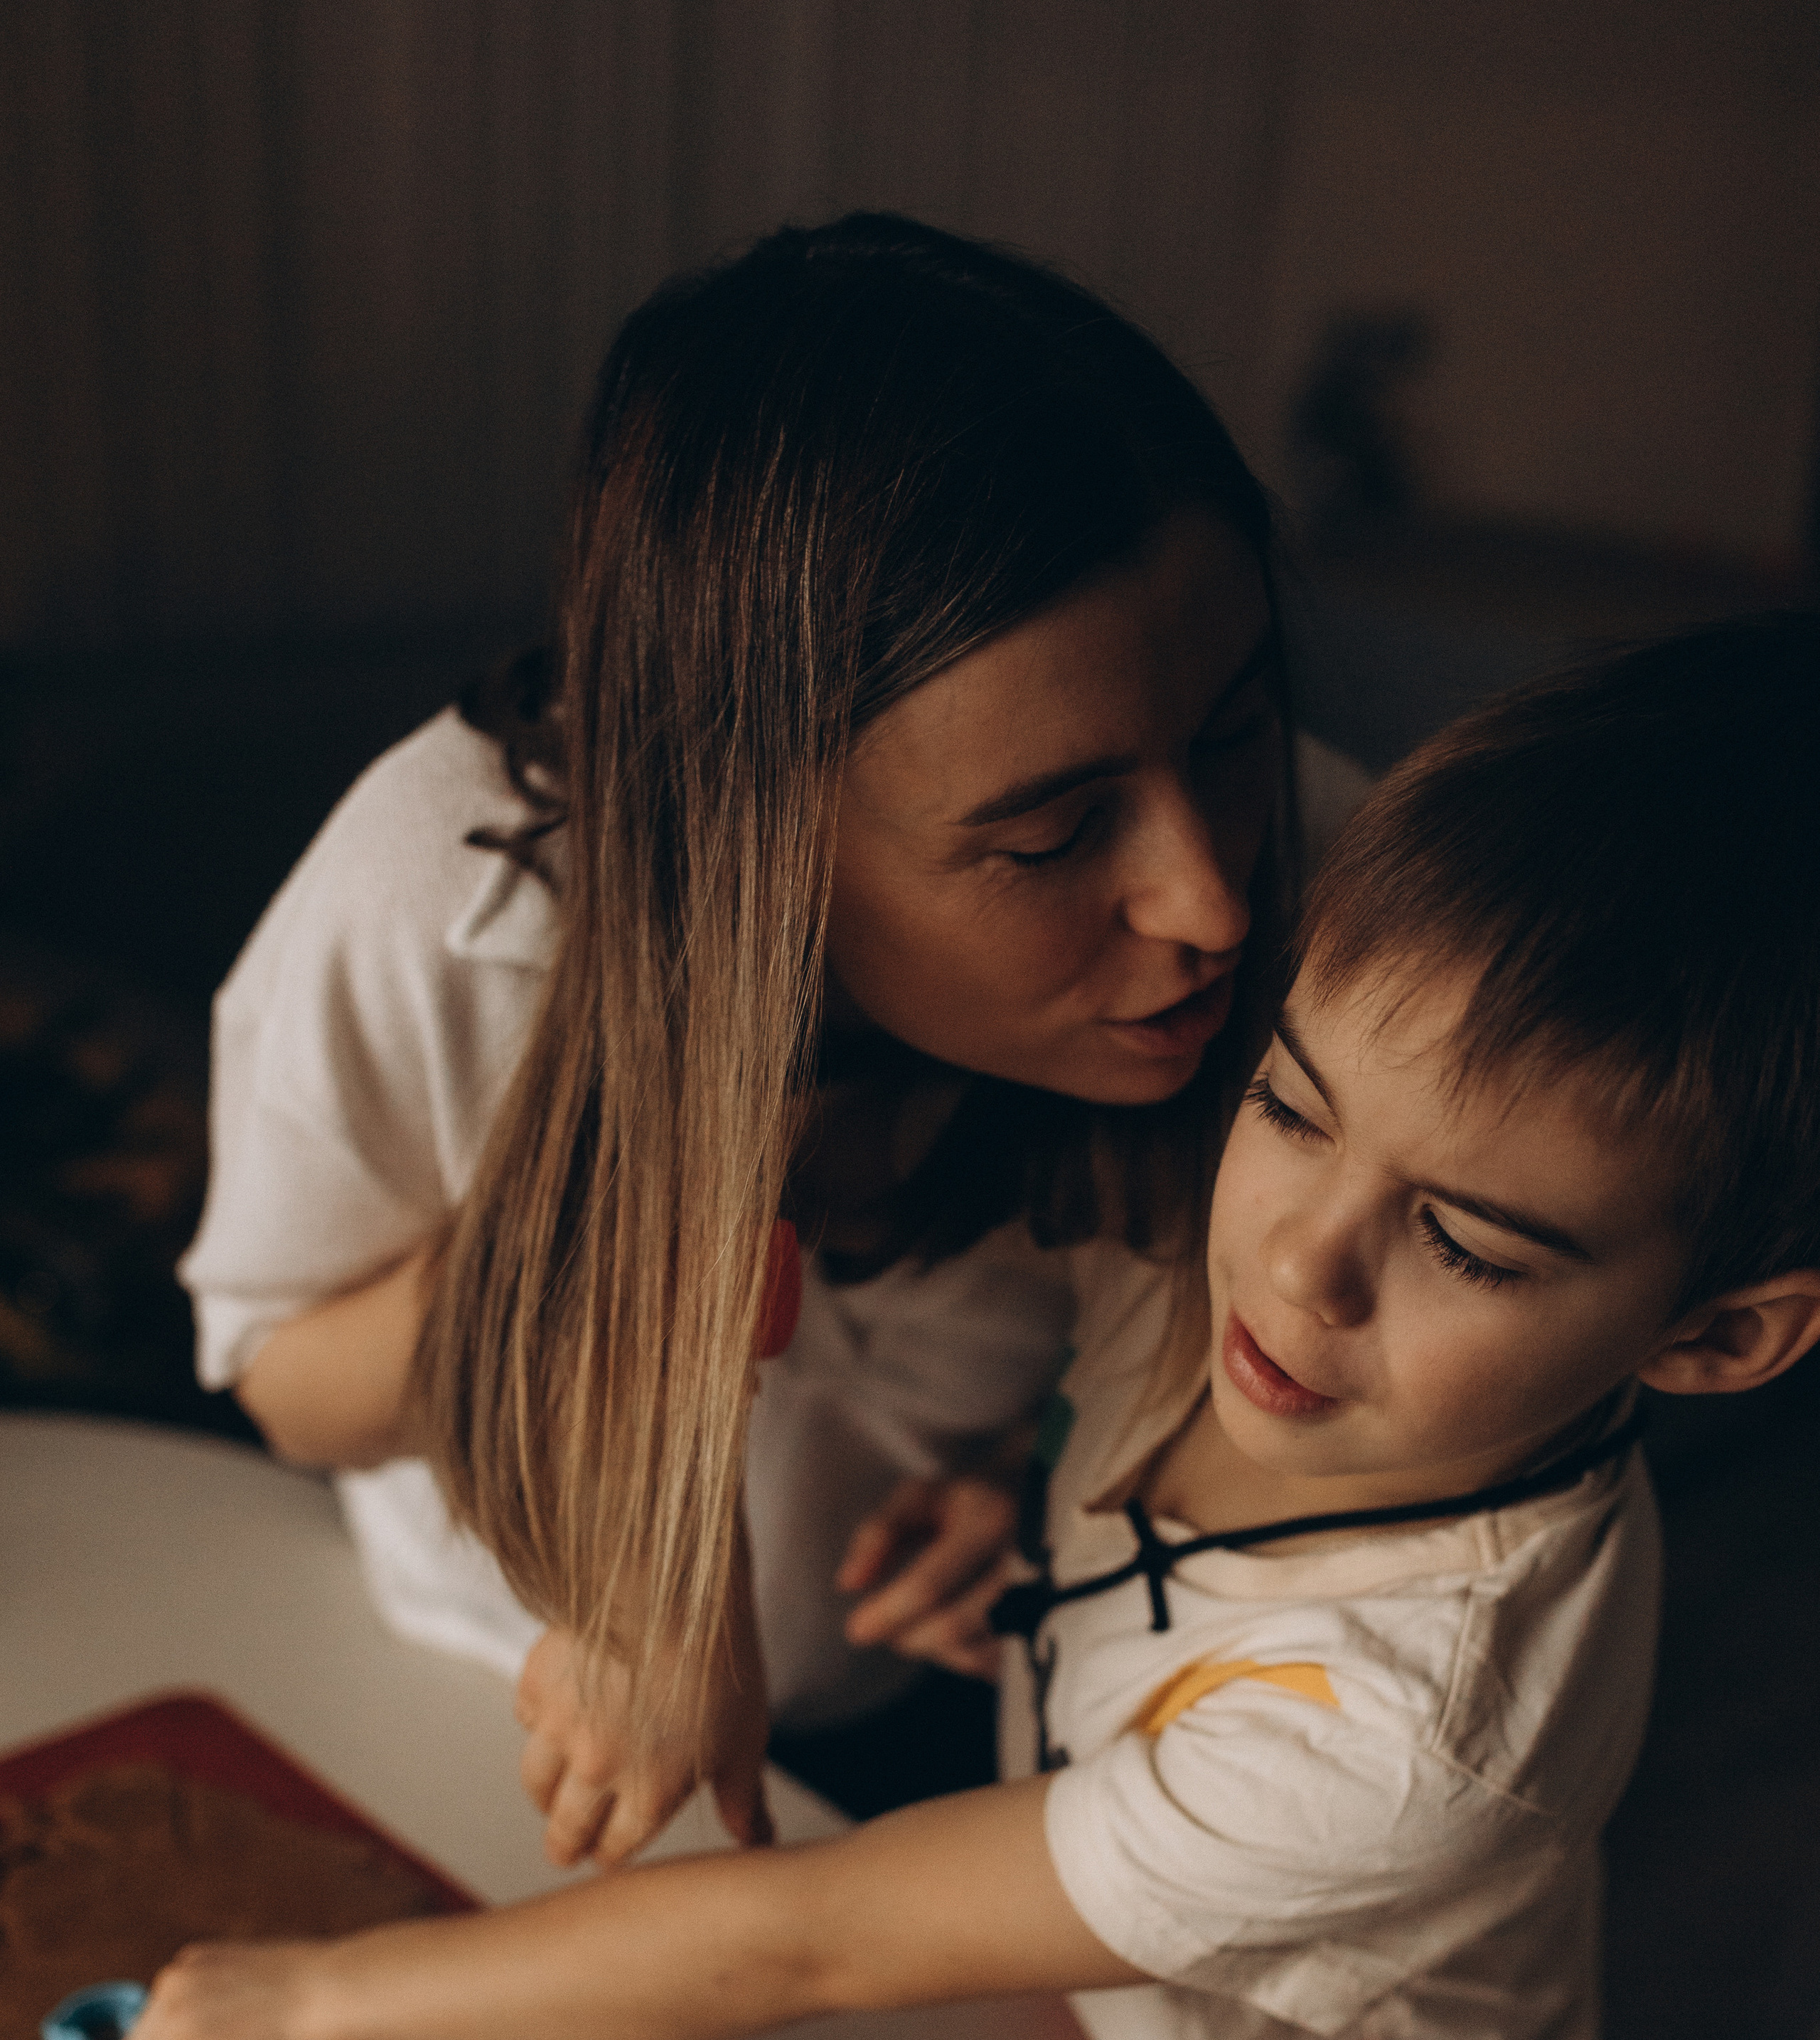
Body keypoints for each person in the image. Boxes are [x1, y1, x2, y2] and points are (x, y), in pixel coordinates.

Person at [116, 616, 1820, 2040]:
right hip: (1097, 2029)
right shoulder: (1208, 1238)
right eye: (1290, 1108)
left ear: (1716, 1337)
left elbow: (810, 1936)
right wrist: (957, 1507)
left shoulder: (1406, 1743)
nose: (1299, 1264)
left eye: (1467, 1244)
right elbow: (746, 1185)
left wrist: (323, 2003)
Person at [178, 211, 1366, 1866]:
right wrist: (624, 1390)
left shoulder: (1311, 857)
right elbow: (287, 1390)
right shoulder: (445, 914)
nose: (1210, 901)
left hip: (973, 1718)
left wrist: (1050, 1502)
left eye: (1235, 726)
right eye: (1048, 836)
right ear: (758, 834)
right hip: (482, 1710)